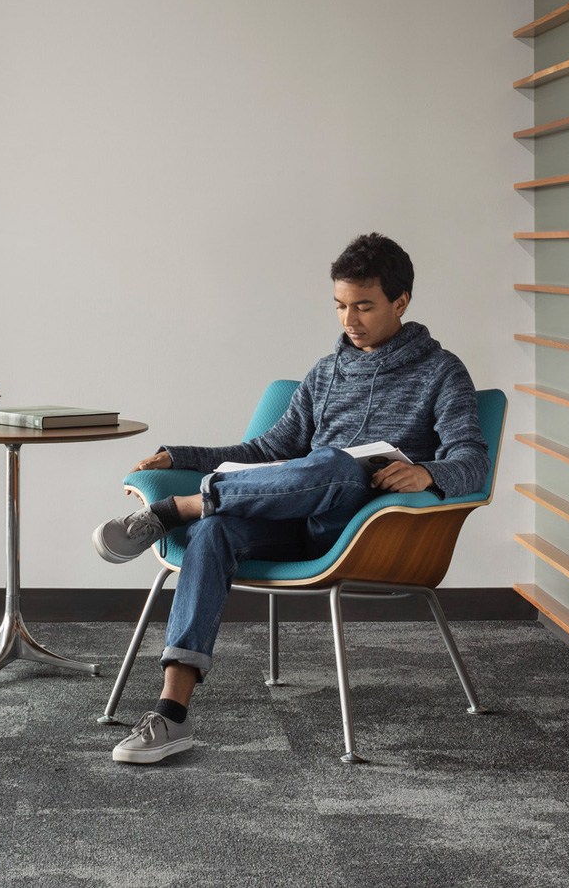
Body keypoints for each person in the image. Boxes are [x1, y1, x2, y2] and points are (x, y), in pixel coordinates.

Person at [90, 231, 488, 765]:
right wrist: (181, 455)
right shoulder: (325, 373)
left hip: (364, 528)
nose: (350, 320)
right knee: (217, 530)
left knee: (340, 464)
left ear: (401, 302)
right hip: (290, 515)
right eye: (341, 306)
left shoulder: (442, 372)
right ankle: (171, 713)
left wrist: (425, 472)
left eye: (364, 306)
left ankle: (176, 510)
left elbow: (473, 462)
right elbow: (268, 450)